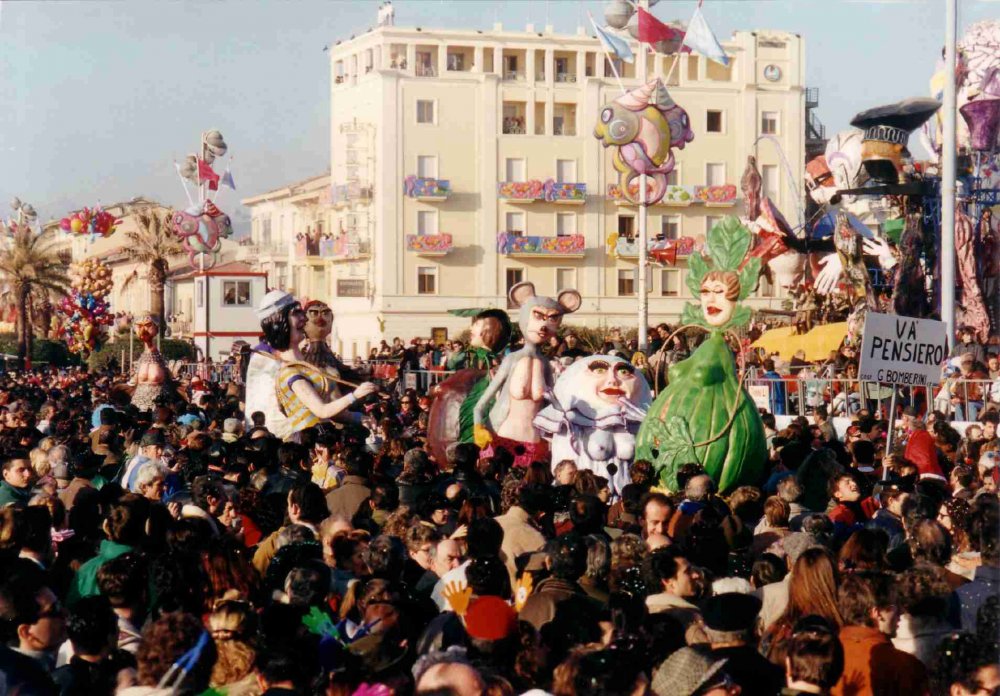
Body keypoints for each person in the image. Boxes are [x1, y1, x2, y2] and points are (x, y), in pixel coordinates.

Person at [832, 571, 929, 696]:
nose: (901, 612)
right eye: (895, 606)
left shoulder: (824, 654)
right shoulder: (905, 666)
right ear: (876, 613)